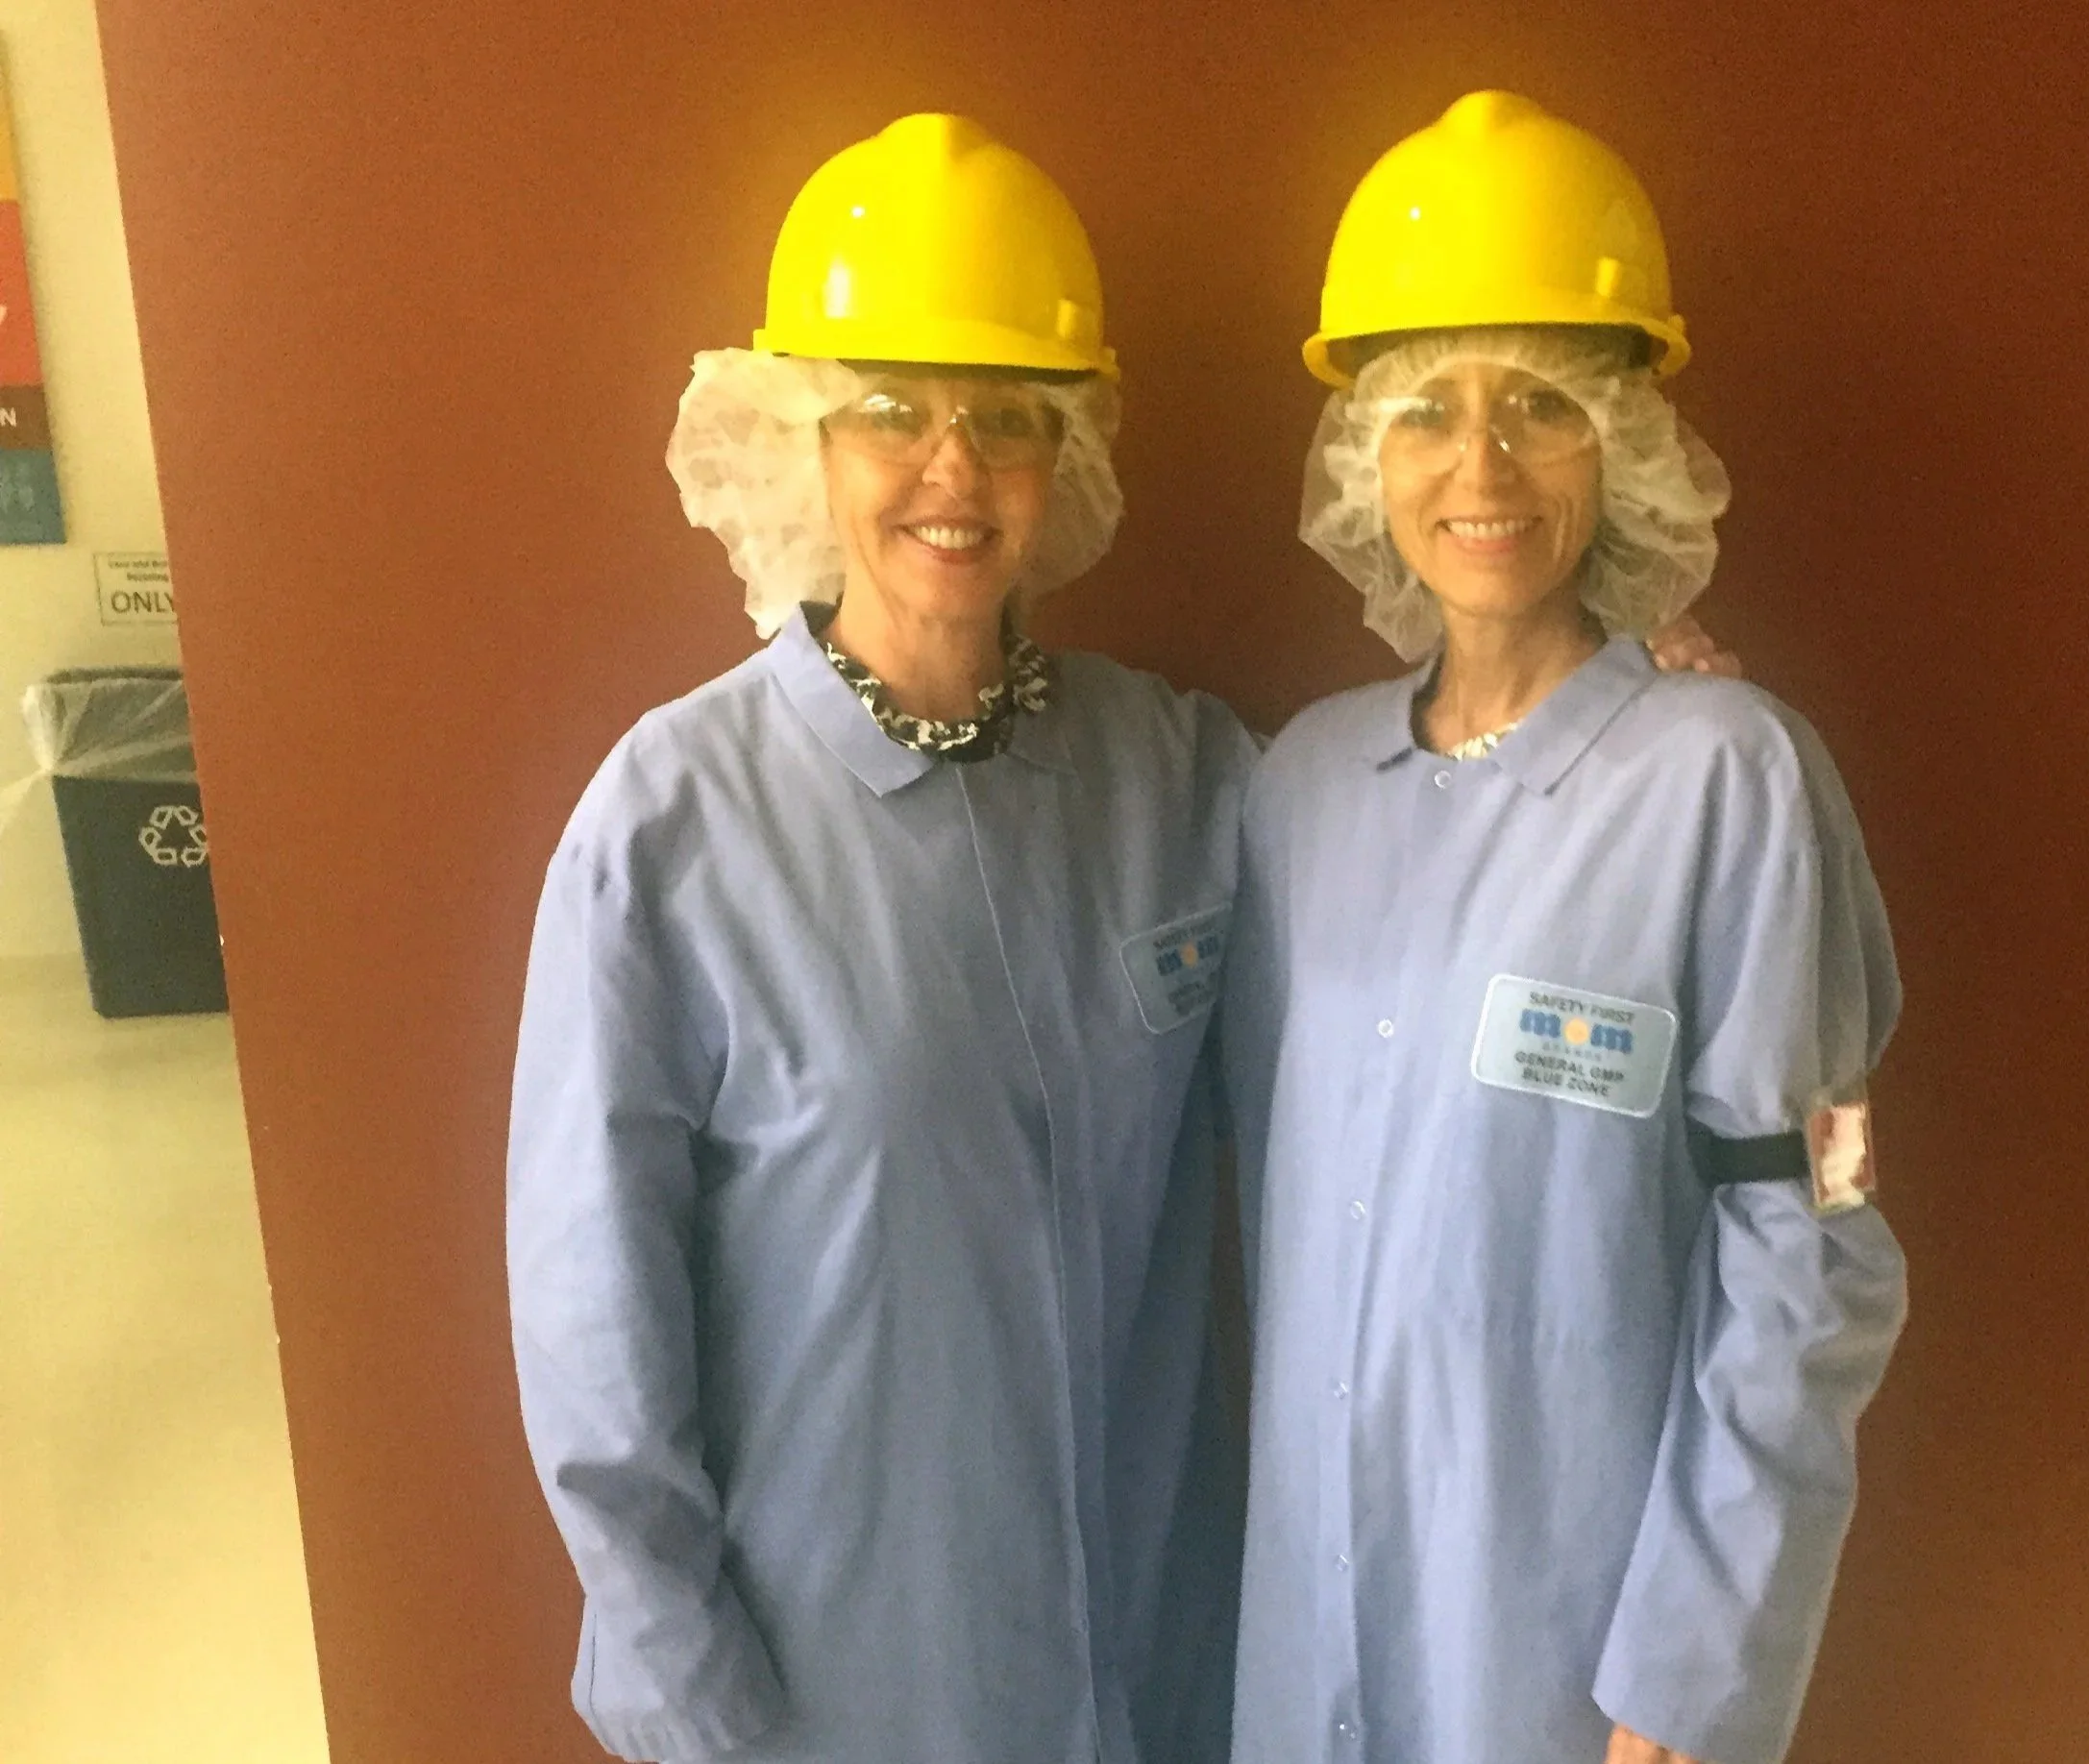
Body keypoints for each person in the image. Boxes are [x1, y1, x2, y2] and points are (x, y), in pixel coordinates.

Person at [505, 114, 1254, 1764]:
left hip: (1159, 1655)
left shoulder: (1178, 776)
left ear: (1069, 459)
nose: (953, 469)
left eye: (1006, 418)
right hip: (844, 1682)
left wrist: (1610, 727)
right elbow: (592, 1313)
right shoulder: (673, 821)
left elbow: (1412, 891)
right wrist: (689, 1691)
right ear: (799, 448)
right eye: (891, 414)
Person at [1222, 92, 1906, 1764]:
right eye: (1426, 412)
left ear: (1628, 445)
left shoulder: (1727, 778)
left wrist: (1694, 1667)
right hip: (1303, 1642)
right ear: (1360, 460)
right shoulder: (1298, 791)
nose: (1481, 465)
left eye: (1540, 404)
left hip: (1579, 1668)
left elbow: (1807, 1243)